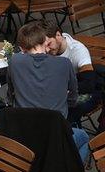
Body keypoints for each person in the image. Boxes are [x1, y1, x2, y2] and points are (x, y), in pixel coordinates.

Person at [9, 21, 89, 161]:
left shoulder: (15, 61)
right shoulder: (64, 64)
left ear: (22, 48)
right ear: (44, 42)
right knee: (83, 138)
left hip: (25, 133)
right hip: (56, 133)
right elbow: (73, 96)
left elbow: (11, 93)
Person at [42, 20, 98, 125]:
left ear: (58, 35)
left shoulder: (78, 51)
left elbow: (89, 84)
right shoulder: (45, 51)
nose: (47, 50)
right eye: (44, 46)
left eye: (49, 44)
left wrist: (63, 89)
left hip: (80, 93)